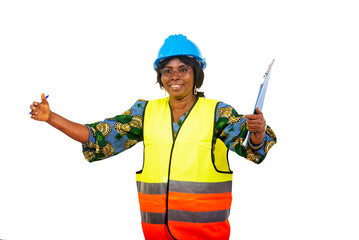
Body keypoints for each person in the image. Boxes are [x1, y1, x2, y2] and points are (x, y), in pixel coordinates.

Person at [30, 34, 277, 240]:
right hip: (156, 235)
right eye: (167, 70)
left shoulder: (218, 113)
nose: (175, 76)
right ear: (160, 77)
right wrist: (51, 117)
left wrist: (258, 132)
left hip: (207, 236)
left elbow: (253, 149)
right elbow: (97, 137)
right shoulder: (144, 113)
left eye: (183, 69)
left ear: (197, 74)